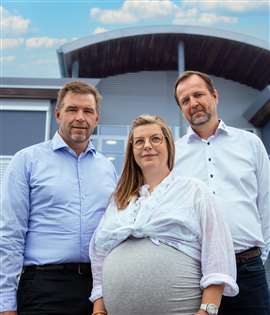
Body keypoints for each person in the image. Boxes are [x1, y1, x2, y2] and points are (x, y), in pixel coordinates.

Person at [89, 114, 238, 315]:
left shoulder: (193, 191)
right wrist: (98, 311)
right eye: (139, 141)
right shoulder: (120, 199)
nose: (147, 146)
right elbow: (99, 254)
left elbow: (217, 253)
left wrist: (207, 311)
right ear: (132, 151)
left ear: (169, 145)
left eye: (155, 139)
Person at [0, 81, 117, 315]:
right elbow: (10, 234)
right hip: (44, 288)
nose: (80, 117)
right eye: (72, 110)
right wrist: (6, 305)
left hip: (99, 291)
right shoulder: (27, 161)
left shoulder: (107, 168)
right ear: (57, 114)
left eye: (88, 111)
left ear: (96, 119)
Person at [174, 70, 270, 315]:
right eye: (185, 100)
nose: (193, 103)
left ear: (215, 96)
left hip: (248, 269)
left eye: (198, 94)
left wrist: (260, 255)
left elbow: (267, 203)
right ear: (181, 109)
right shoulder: (173, 154)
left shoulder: (250, 143)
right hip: (196, 273)